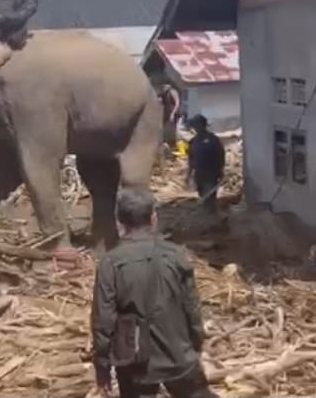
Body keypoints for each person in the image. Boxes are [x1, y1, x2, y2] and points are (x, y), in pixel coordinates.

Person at [91, 189, 217, 398]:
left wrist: (102, 366)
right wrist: (195, 344)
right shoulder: (176, 255)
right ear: (153, 218)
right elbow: (192, 307)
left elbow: (103, 320)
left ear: (119, 222)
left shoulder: (110, 262)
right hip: (178, 353)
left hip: (134, 361)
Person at [185, 115, 224, 212]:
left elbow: (221, 155)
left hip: (211, 174)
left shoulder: (213, 139)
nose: (195, 127)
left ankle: (211, 215)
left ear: (203, 125)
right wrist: (188, 174)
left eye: (196, 125)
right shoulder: (193, 142)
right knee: (202, 195)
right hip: (199, 175)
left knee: (209, 197)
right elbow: (191, 159)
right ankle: (207, 214)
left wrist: (221, 170)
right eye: (194, 125)